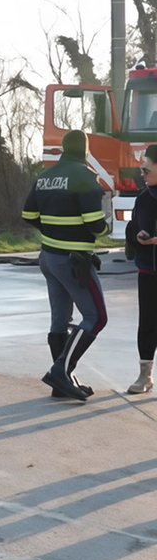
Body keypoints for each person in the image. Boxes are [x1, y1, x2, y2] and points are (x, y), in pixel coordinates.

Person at [21, 129, 110, 401]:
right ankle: (61, 371)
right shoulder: (86, 178)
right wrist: (105, 227)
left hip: (48, 258)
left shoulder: (45, 176)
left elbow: (28, 215)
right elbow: (95, 225)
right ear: (85, 150)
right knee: (96, 317)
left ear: (62, 149)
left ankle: (60, 383)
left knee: (59, 320)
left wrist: (52, 231)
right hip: (74, 261)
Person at [123, 144, 157, 394]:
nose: (142, 174)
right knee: (147, 322)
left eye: (146, 169)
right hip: (148, 268)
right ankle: (145, 375)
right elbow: (131, 228)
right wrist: (138, 236)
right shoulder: (143, 197)